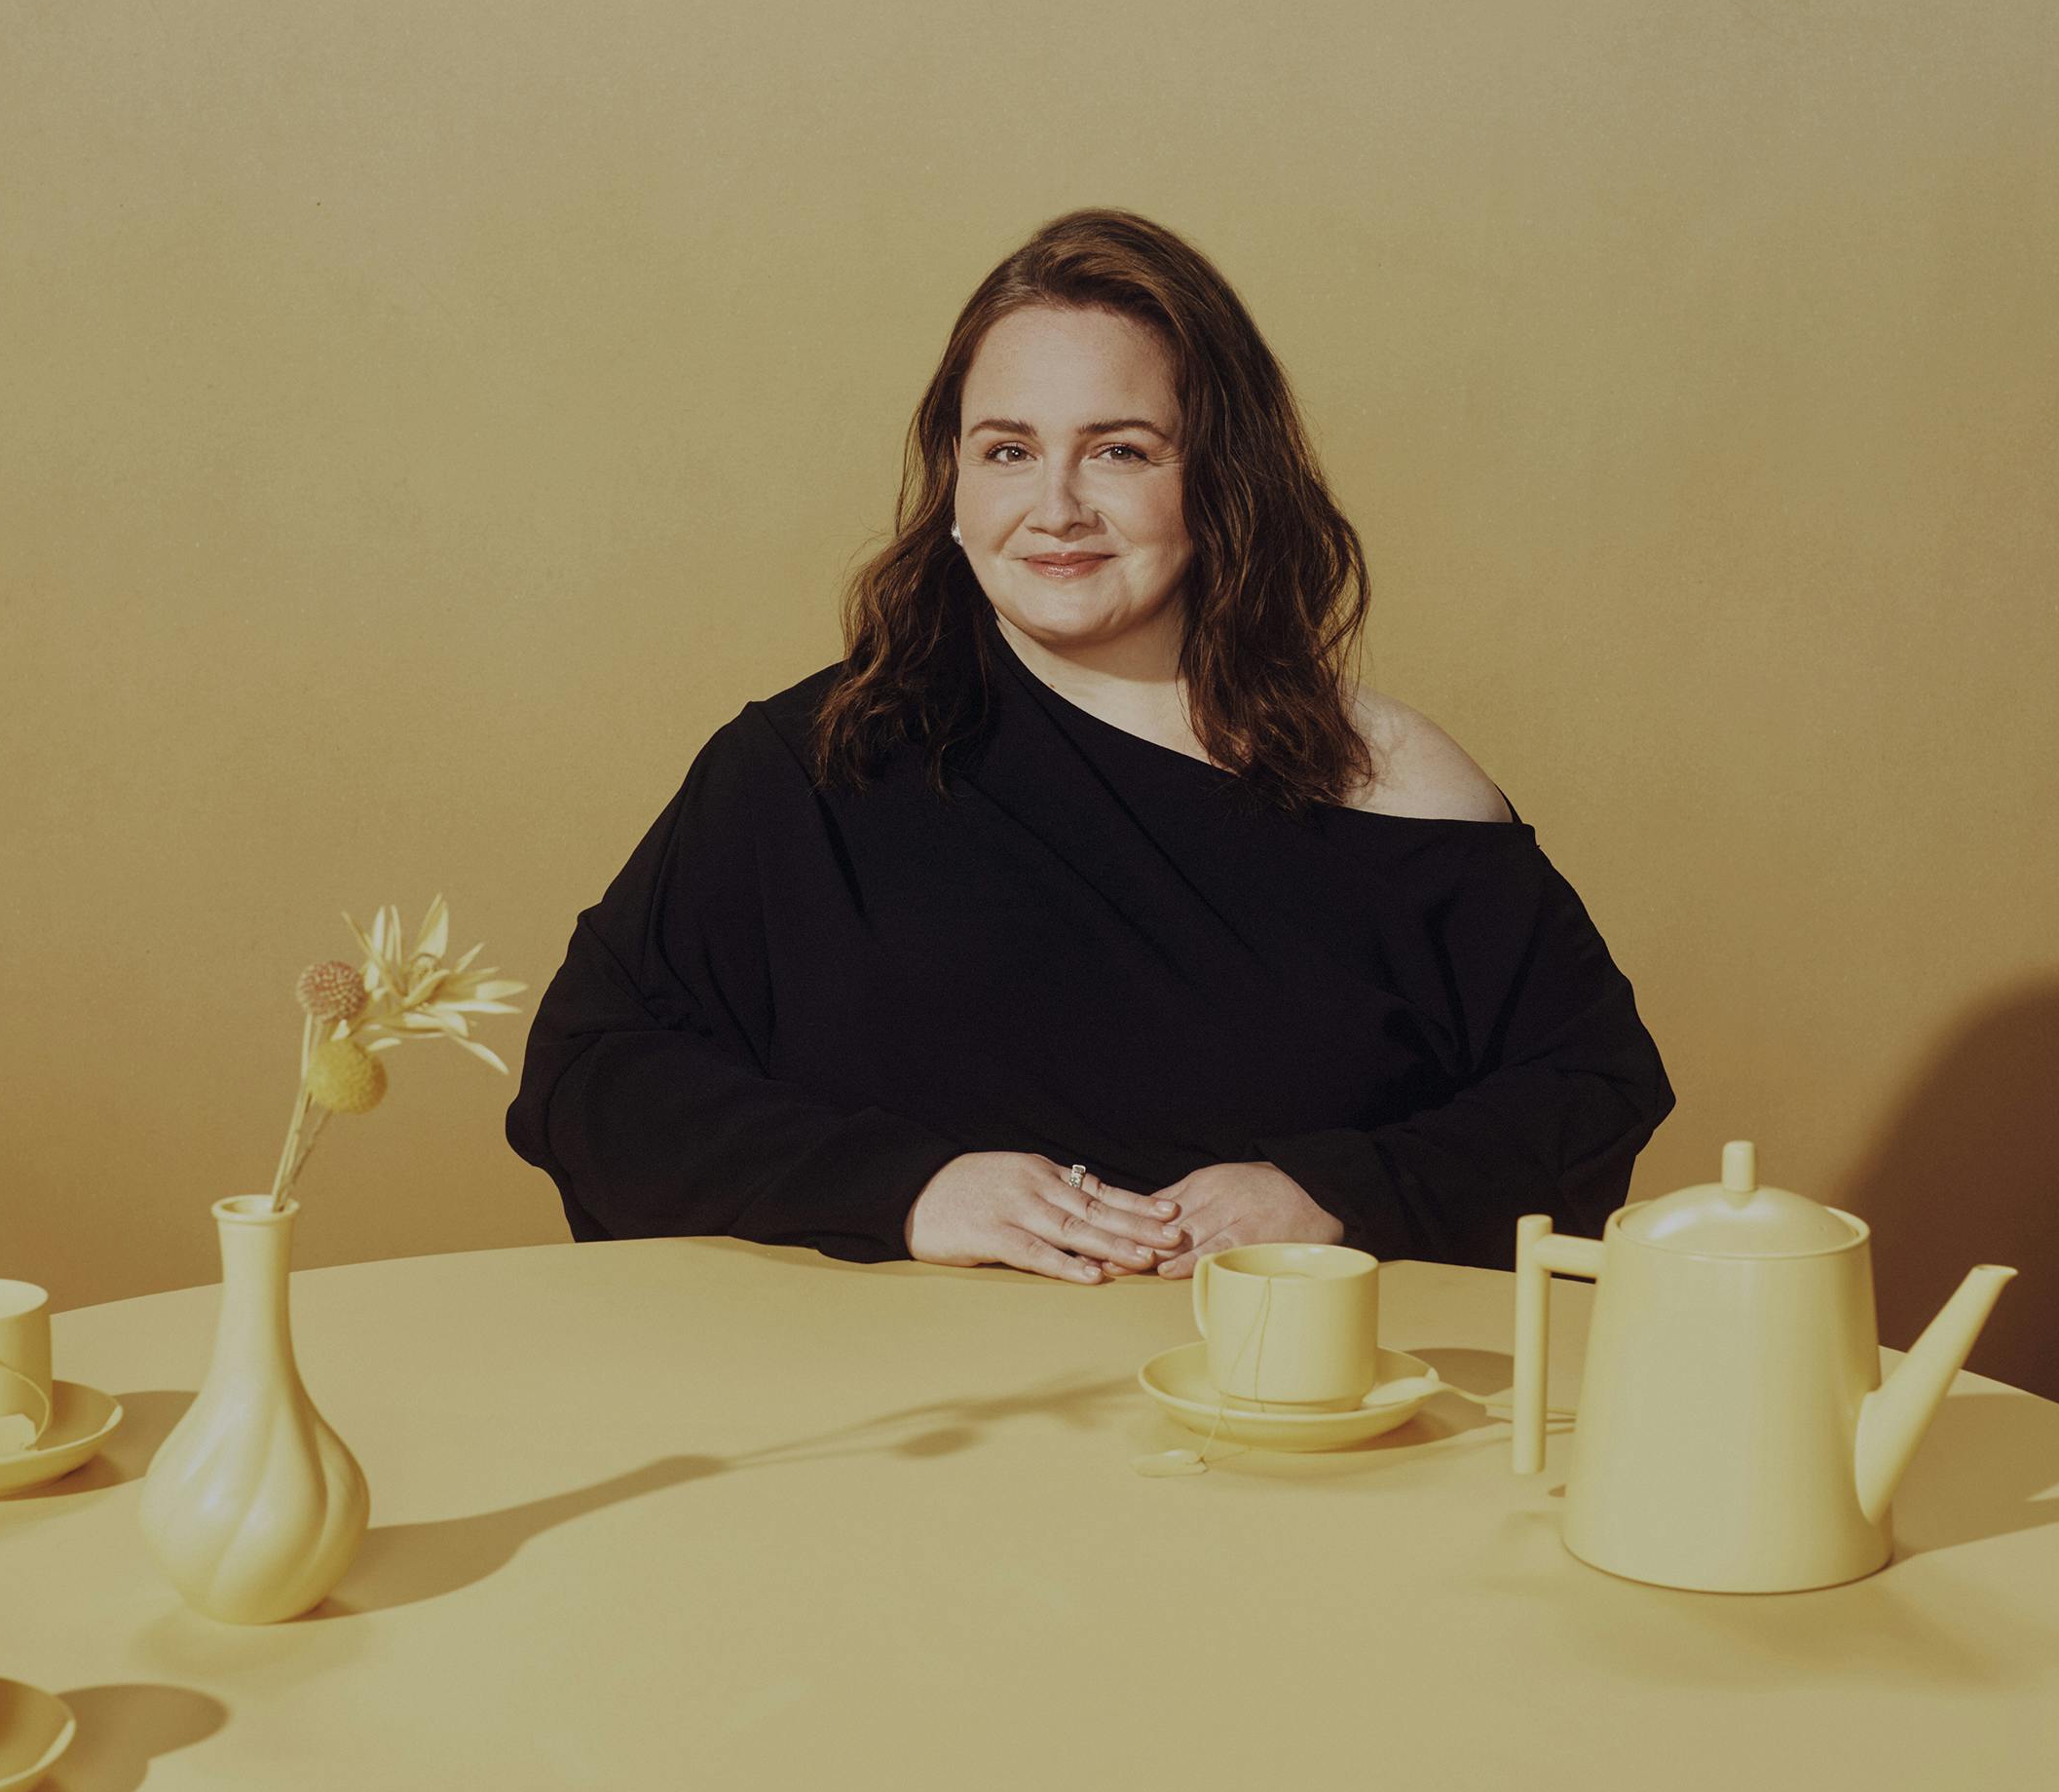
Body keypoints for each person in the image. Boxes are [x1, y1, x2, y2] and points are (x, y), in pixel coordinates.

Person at [505, 207, 1673, 1282]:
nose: (1055, 507)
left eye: (1119, 450)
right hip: (894, 1442)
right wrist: (911, 1191)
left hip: (1274, 1434)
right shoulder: (810, 767)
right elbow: (589, 1075)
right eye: (1008, 449)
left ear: (1219, 479)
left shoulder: (1395, 786)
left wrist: (1329, 1194)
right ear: (954, 482)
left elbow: (1590, 1088)